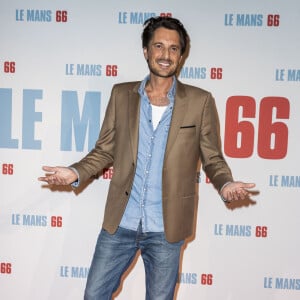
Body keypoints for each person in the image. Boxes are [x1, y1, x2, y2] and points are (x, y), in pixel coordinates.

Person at [39, 16, 256, 300]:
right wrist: (74, 172)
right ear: (146, 51)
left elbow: (212, 157)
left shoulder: (200, 101)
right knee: (93, 295)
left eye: (174, 48)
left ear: (181, 54)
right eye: (159, 46)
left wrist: (225, 184)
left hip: (167, 227)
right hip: (121, 222)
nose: (166, 55)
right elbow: (105, 149)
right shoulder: (121, 95)